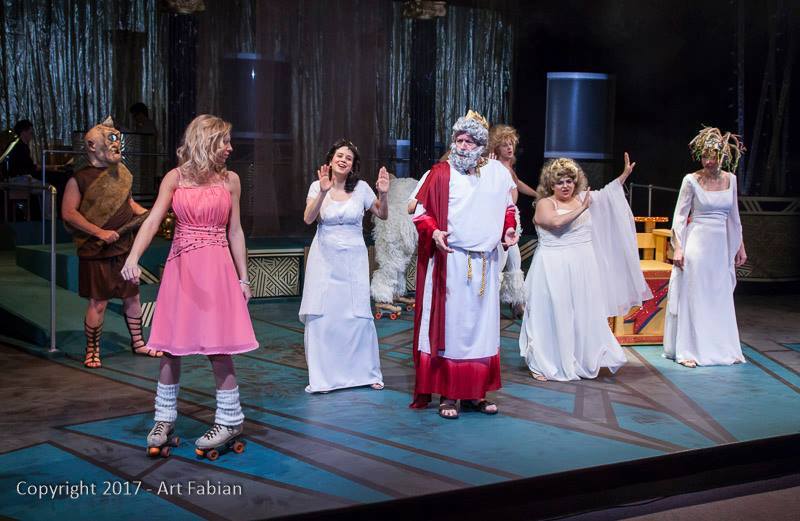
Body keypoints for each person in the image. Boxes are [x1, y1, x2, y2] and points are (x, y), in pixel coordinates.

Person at [121, 114, 258, 455]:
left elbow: (235, 231)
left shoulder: (231, 181)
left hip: (216, 269)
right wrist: (133, 258)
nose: (230, 148)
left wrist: (243, 277)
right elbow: (153, 220)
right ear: (206, 141)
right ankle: (164, 419)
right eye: (224, 141)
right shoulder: (175, 177)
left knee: (218, 347)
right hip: (181, 269)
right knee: (171, 347)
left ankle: (230, 419)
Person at [410, 110, 519, 419]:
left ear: (481, 145)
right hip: (453, 261)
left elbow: (508, 208)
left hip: (486, 263)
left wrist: (508, 229)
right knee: (454, 331)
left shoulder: (497, 173)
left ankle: (476, 394)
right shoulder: (440, 173)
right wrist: (435, 232)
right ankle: (449, 395)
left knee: (482, 332)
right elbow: (420, 212)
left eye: (469, 141)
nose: (463, 146)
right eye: (459, 140)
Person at [519, 155, 650, 382]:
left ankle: (578, 358)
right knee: (552, 313)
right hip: (553, 267)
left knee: (581, 312)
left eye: (570, 181)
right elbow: (555, 222)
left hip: (583, 266)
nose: (565, 186)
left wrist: (624, 176)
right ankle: (545, 362)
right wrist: (582, 208)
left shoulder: (582, 198)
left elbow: (607, 195)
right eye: (560, 182)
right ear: (551, 184)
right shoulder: (545, 203)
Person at [62, 117, 157, 368]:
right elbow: (69, 213)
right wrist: (99, 232)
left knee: (132, 297)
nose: (116, 145)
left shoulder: (122, 173)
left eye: (117, 140)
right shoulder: (79, 179)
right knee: (99, 302)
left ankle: (139, 342)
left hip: (124, 248)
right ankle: (92, 350)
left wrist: (148, 214)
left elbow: (128, 203)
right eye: (110, 140)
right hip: (96, 250)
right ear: (92, 146)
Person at [300, 139, 388, 393]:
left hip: (353, 258)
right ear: (330, 160)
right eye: (339, 156)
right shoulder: (317, 186)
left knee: (356, 313)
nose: (343, 160)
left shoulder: (361, 188)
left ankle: (366, 373)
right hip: (324, 257)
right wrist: (323, 192)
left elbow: (382, 214)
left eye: (348, 158)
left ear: (353, 165)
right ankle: (324, 377)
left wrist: (383, 193)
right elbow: (308, 218)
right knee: (324, 315)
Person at [663, 127, 747, 367]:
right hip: (697, 243)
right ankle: (688, 350)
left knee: (718, 295)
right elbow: (680, 217)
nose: (709, 161)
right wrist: (678, 247)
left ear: (723, 156)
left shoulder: (731, 180)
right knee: (696, 294)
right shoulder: (691, 180)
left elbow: (734, 217)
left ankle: (723, 349)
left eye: (713, 156)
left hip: (720, 246)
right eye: (705, 156)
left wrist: (740, 246)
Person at [487, 124, 535, 316]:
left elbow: (517, 184)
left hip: (512, 218)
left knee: (515, 262)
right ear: (496, 147)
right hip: (501, 219)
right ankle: (489, 302)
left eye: (511, 144)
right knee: (500, 262)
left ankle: (517, 302)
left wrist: (537, 194)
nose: (509, 148)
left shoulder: (509, 166)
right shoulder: (494, 166)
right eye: (504, 145)